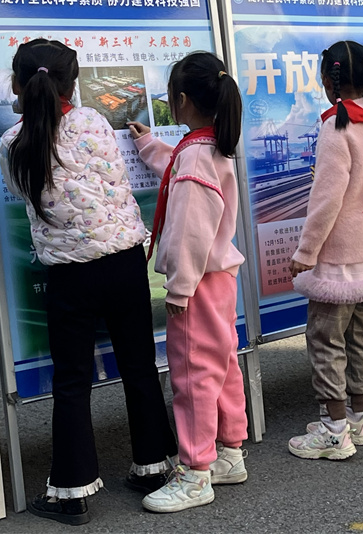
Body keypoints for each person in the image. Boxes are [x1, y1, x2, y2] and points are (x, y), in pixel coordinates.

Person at [0, 39, 176, 526]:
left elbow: (20, 191)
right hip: (124, 262)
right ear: (72, 84)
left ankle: (71, 490)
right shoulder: (94, 121)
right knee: (139, 366)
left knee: (72, 380)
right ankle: (154, 466)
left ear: (17, 84)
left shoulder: (12, 142)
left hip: (69, 274)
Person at [128, 52, 249, 513]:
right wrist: (149, 144)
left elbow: (186, 232)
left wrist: (178, 288)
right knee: (221, 364)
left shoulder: (196, 155)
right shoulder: (209, 146)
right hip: (218, 279)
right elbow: (177, 169)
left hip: (195, 284)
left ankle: (196, 472)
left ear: (182, 100)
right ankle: (230, 452)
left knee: (193, 375)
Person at [287, 41, 363, 461]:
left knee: (326, 342)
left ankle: (334, 432)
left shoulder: (337, 126)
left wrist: (306, 252)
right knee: (361, 341)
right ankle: (357, 419)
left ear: (327, 80)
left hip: (338, 262)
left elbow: (326, 198)